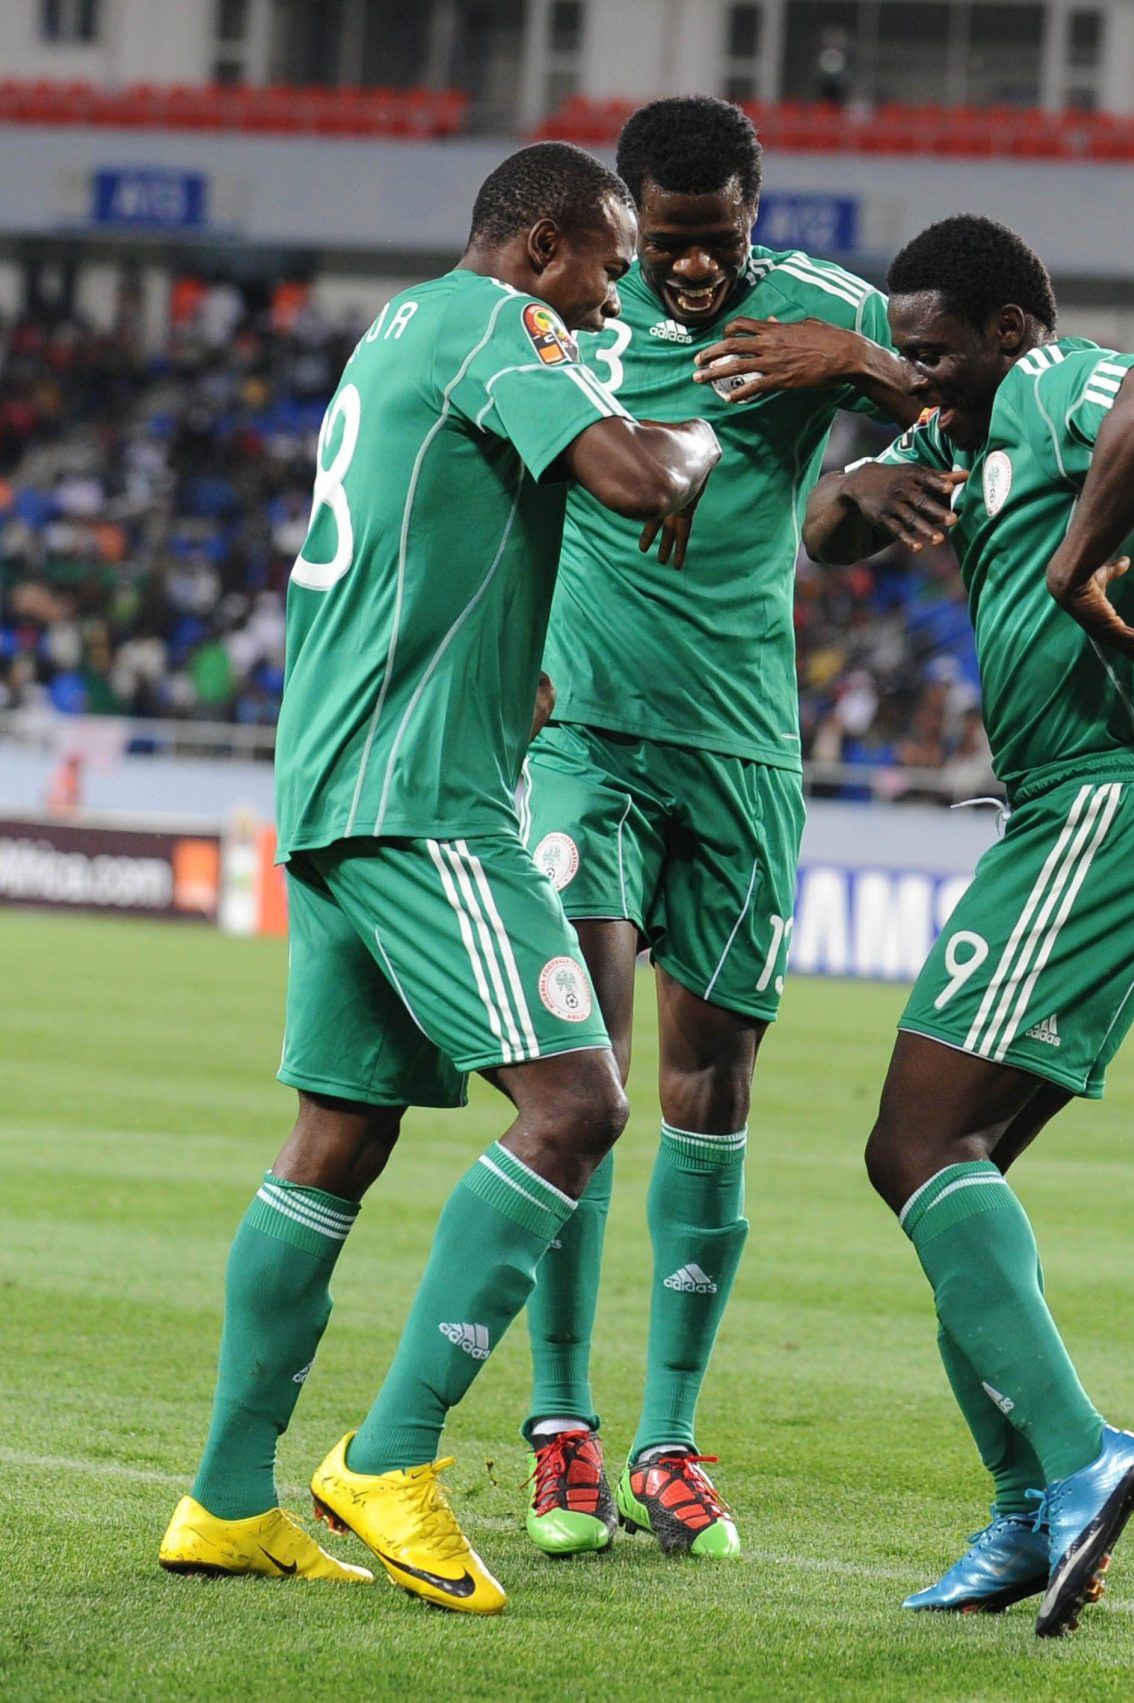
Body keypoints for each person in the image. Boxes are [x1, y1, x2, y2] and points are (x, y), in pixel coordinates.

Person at [159, 142, 722, 1614]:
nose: (611, 299)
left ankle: (226, 1496)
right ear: (539, 244)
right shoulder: (503, 322)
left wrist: (498, 676)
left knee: (335, 1139)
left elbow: (435, 536)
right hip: (424, 803)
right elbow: (636, 473)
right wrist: (705, 435)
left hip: (337, 783)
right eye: (603, 264)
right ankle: (391, 1453)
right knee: (582, 1101)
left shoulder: (398, 327)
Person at [511, 94, 918, 1563]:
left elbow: (993, 384)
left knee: (715, 1084)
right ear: (627, 219)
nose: (689, 272)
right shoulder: (564, 316)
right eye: (666, 246)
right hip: (587, 740)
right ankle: (561, 1428)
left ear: (758, 209)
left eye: (717, 243)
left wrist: (861, 371)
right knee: (583, 1062)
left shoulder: (821, 307)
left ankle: (668, 1439)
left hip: (745, 747)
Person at [802, 213, 1134, 1636]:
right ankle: (1026, 1509)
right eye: (905, 351)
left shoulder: (1050, 385)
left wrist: (1071, 560)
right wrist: (877, 450)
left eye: (935, 351)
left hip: (1106, 799)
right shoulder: (964, 433)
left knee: (911, 1145)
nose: (920, 372)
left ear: (1005, 333)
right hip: (1076, 814)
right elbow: (822, 535)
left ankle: (1081, 1454)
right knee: (946, 1181)